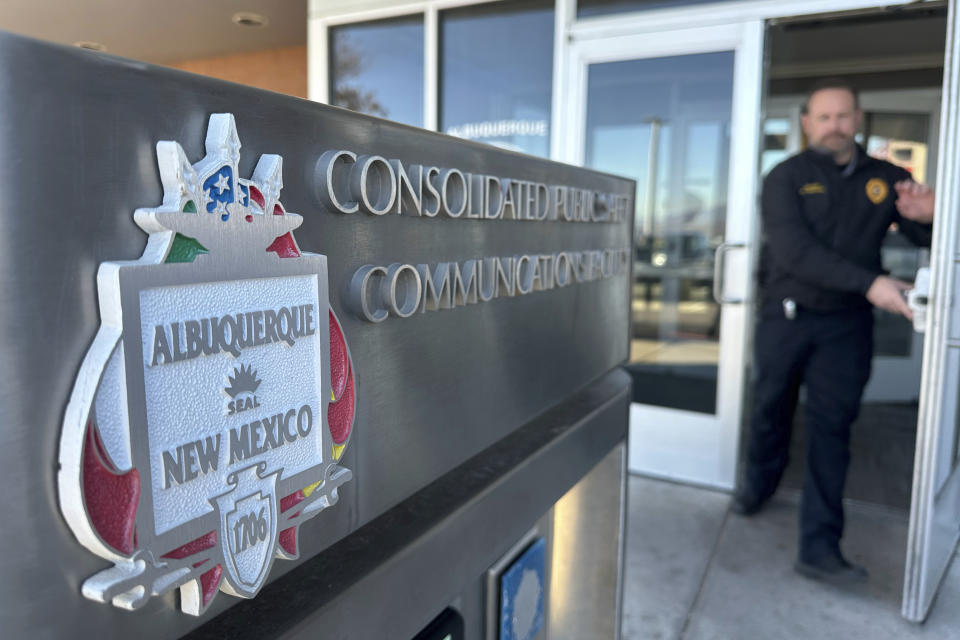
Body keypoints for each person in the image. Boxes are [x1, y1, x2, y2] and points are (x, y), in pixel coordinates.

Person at [732, 79, 935, 584]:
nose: (833, 126)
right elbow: (795, 252)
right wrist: (872, 283)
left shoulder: (888, 178)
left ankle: (819, 548)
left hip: (846, 326)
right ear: (806, 123)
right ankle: (758, 486)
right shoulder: (784, 177)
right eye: (823, 118)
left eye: (842, 116)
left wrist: (931, 218)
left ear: (858, 118)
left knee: (832, 429)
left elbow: (924, 236)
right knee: (770, 409)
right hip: (787, 318)